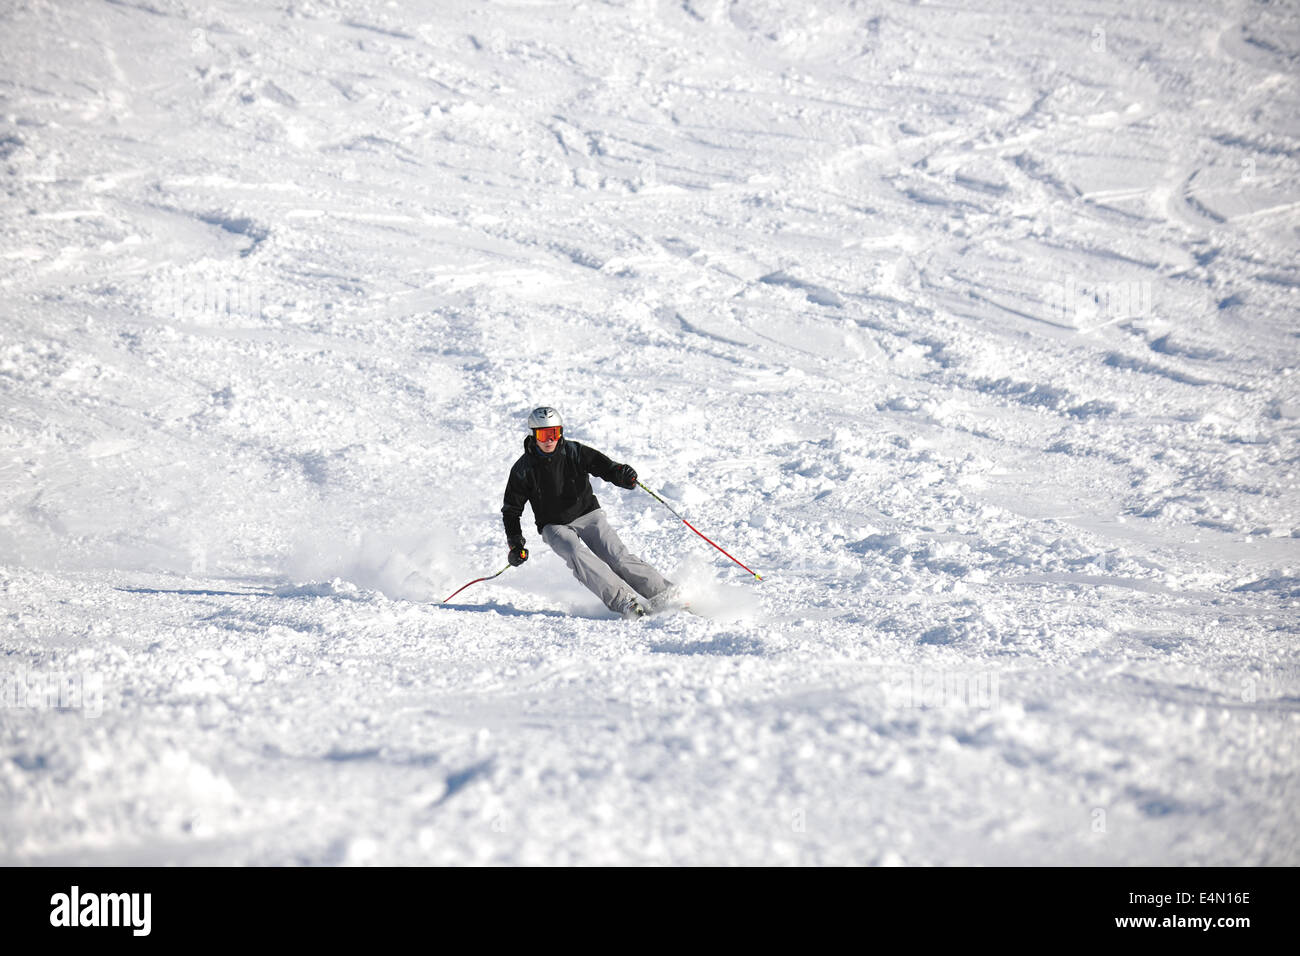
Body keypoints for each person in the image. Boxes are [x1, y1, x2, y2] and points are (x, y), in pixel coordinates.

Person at [501, 406, 677, 619]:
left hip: (587, 513)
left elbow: (604, 467)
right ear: (534, 435)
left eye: (554, 433)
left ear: (560, 433)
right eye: (543, 434)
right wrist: (516, 544)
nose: (549, 440)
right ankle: (624, 601)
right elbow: (512, 510)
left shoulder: (574, 451)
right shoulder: (523, 469)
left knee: (616, 556)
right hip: (553, 525)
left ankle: (663, 593)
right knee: (575, 552)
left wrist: (621, 474)